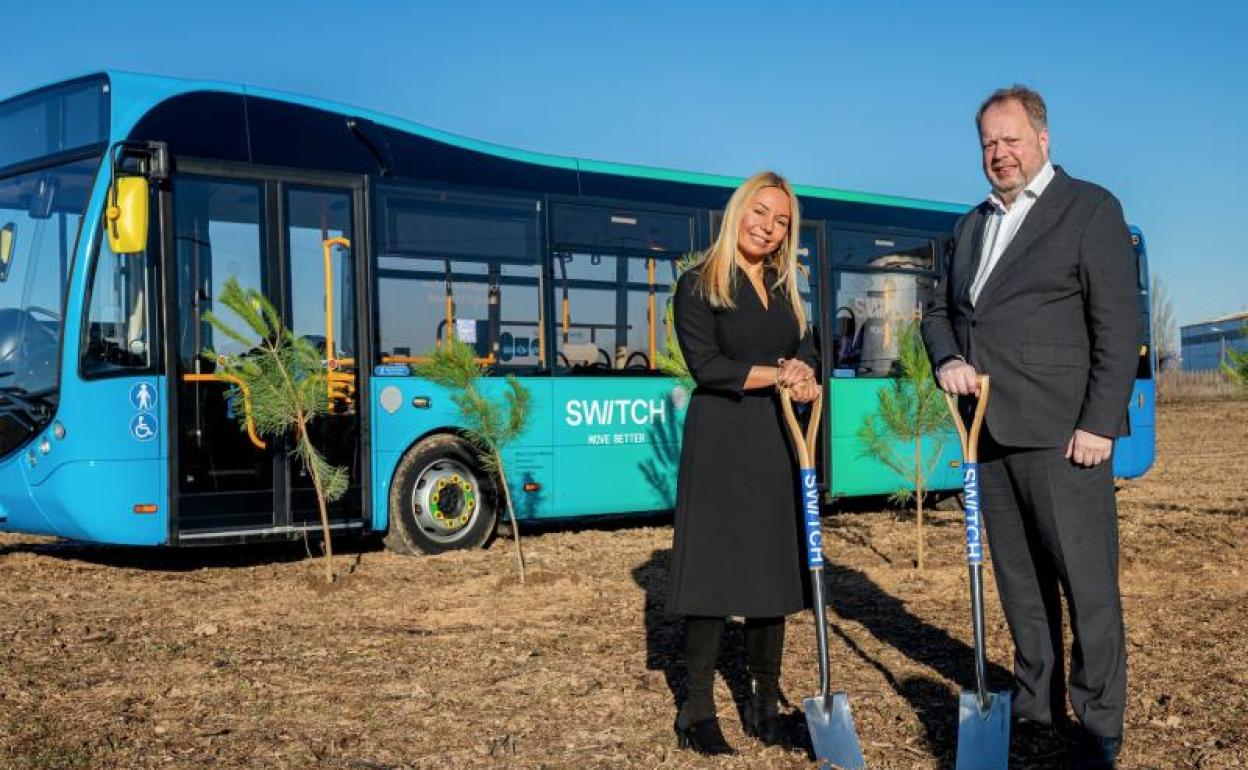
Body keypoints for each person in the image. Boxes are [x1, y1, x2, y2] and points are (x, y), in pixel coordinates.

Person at [921, 86, 1140, 770]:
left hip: (1064, 435)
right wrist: (948, 356)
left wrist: (1100, 422)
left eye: (1011, 139)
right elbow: (938, 310)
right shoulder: (970, 226)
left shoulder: (1090, 209)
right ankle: (1036, 698)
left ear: (1043, 139)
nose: (999, 153)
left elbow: (1119, 324)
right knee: (1019, 582)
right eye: (988, 142)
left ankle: (1098, 722)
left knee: (1087, 585)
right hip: (987, 434)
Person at [667, 171, 821, 755]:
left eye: (781, 220)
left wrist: (803, 369)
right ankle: (697, 710)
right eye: (760, 212)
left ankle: (763, 706)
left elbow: (804, 345)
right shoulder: (699, 284)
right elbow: (708, 366)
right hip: (721, 439)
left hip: (776, 437)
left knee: (770, 572)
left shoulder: (785, 289)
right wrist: (780, 373)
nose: (769, 226)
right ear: (738, 212)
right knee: (712, 574)